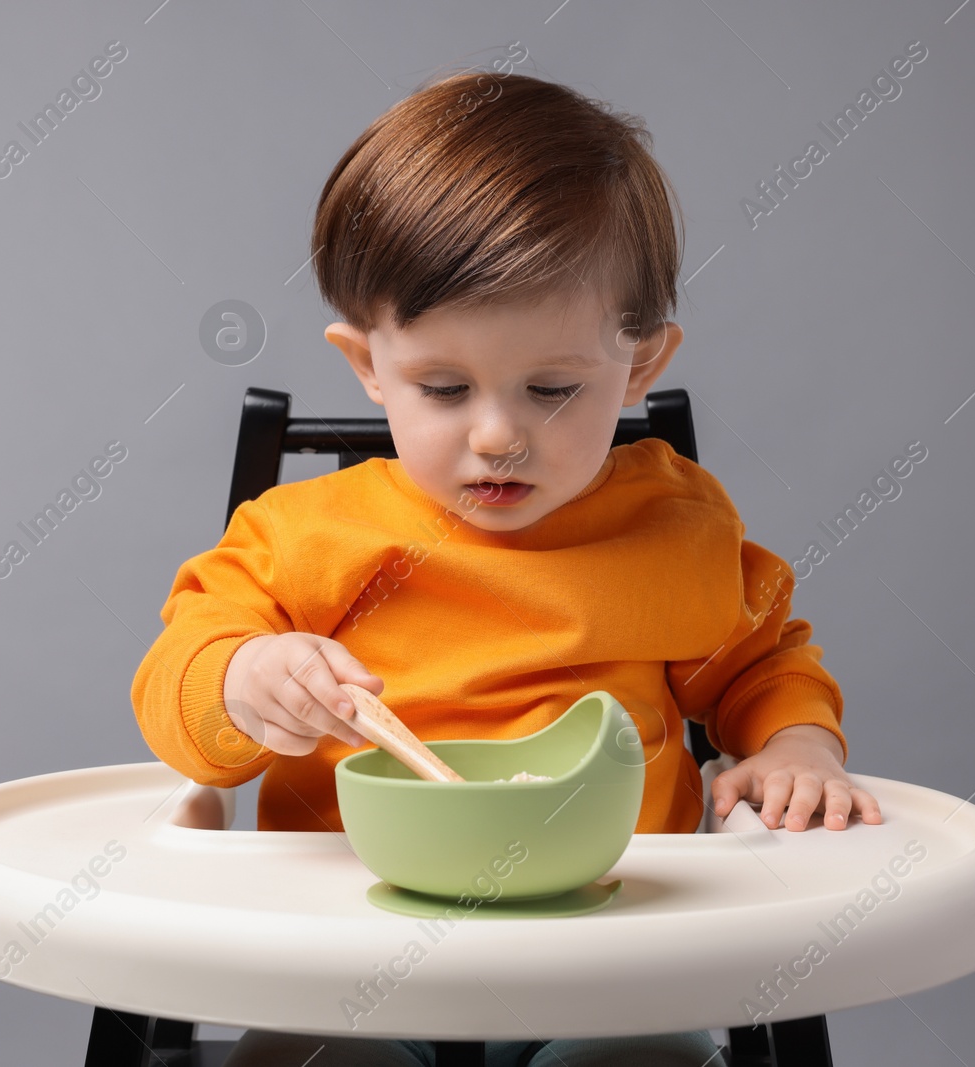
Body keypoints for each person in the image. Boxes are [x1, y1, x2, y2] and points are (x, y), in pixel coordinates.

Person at [132, 66, 882, 1067]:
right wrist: (243, 681)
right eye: (443, 387)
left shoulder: (671, 526)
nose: (497, 435)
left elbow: (758, 664)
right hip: (345, 948)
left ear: (641, 367)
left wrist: (797, 748)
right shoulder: (301, 536)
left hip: (610, 948)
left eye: (553, 389)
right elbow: (182, 673)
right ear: (366, 364)